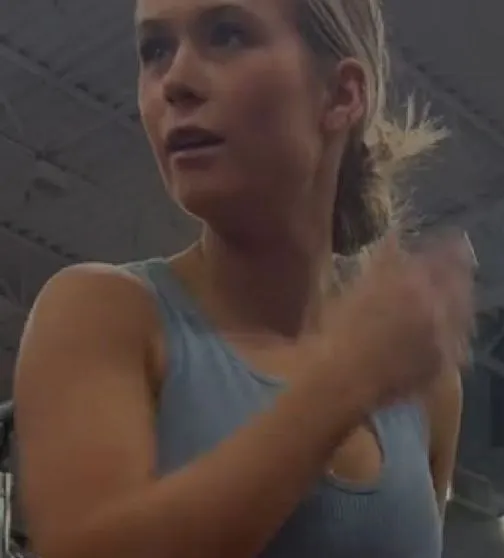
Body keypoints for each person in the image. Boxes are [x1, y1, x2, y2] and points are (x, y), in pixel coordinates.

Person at [12, 0, 475, 556]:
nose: (175, 81)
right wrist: (343, 384)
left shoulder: (426, 390)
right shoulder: (103, 314)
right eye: (155, 50)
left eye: (227, 35)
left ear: (340, 94)